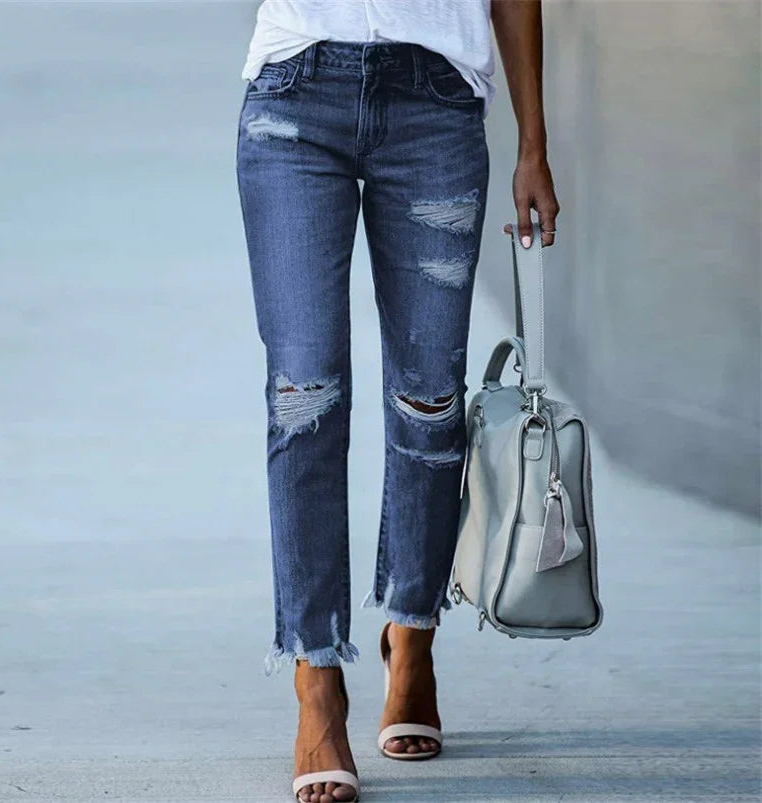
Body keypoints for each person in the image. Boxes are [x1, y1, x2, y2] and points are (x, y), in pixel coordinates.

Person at [235, 1, 559, 800]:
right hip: (294, 89)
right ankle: (317, 680)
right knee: (302, 397)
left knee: (429, 402)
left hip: (435, 101)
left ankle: (411, 634)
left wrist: (532, 144)